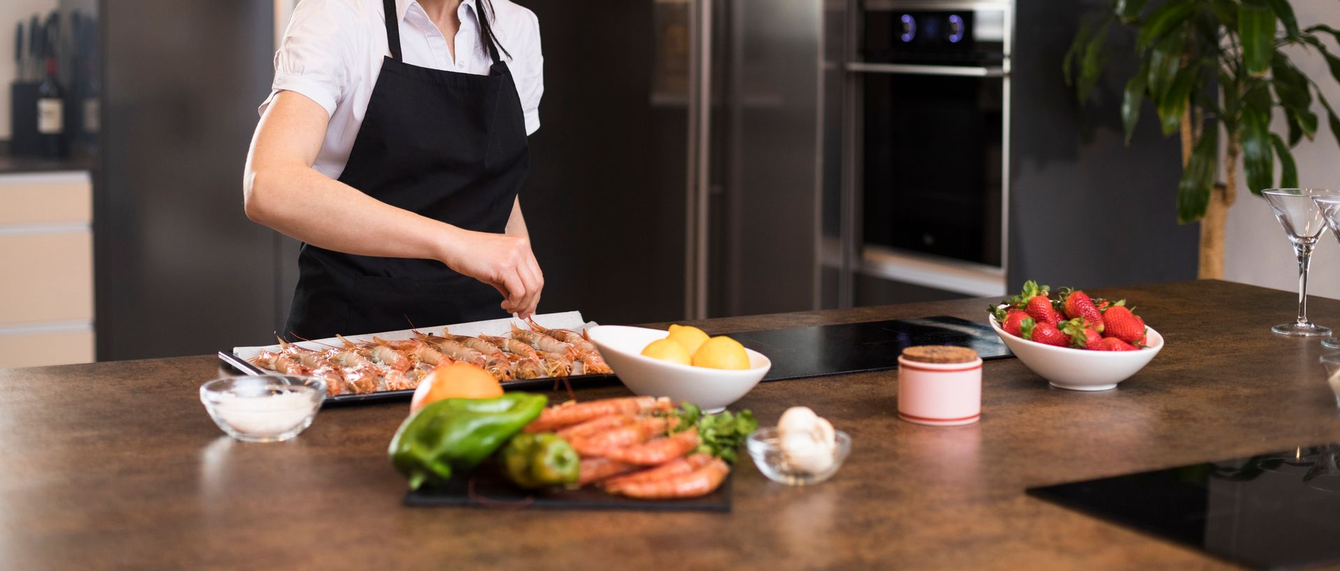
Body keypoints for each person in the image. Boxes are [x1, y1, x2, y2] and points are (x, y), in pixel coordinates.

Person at [242, 0, 544, 340]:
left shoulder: (516, 26)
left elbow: (497, 183)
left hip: (482, 335)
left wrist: (522, 283)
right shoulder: (338, 15)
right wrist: (455, 244)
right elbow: (270, 185)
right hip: (350, 336)